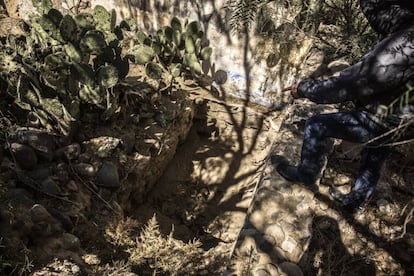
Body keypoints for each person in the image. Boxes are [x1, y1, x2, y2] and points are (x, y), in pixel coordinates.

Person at [275, 0, 414, 212]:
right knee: (375, 152)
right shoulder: (406, 34)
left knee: (316, 125)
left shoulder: (401, 46)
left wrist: (305, 89)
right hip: (404, 122)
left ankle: (305, 176)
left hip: (385, 118)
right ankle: (355, 203)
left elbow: (354, 83)